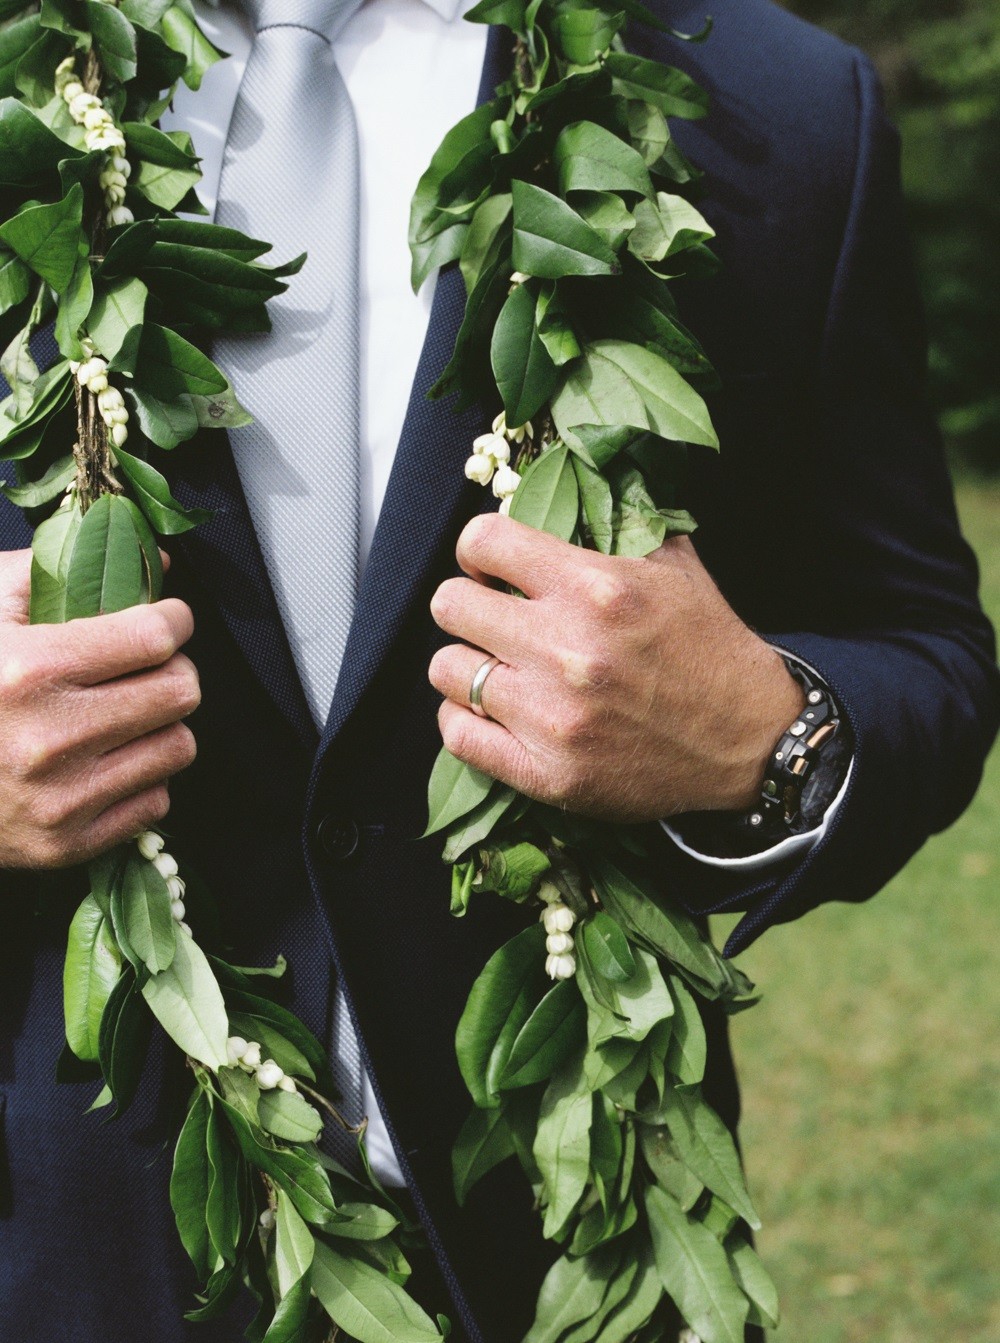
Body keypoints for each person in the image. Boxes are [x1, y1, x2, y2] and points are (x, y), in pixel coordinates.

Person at [0, 1, 996, 1340]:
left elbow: (919, 640)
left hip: (572, 1264)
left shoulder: (771, 103)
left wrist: (769, 732)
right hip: (66, 1270)